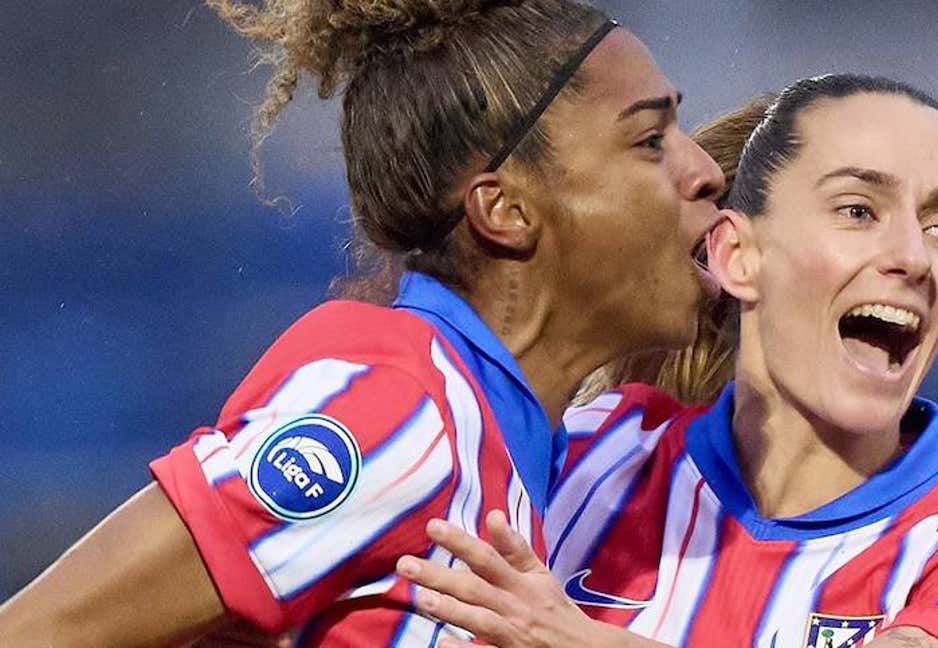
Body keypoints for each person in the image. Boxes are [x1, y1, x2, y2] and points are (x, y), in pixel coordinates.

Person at [0, 0, 725, 646]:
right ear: (505, 210)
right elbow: (38, 630)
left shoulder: (522, 462)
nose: (704, 170)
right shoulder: (402, 411)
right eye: (649, 140)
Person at [391, 75, 938, 648]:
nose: (912, 257)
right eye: (858, 211)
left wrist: (579, 640)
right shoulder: (586, 455)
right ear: (737, 257)